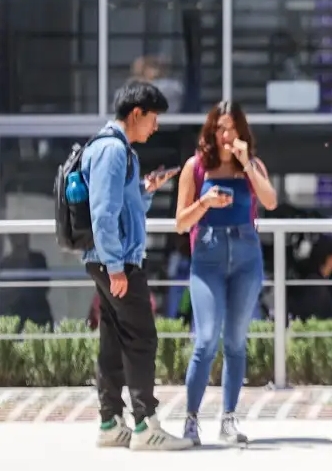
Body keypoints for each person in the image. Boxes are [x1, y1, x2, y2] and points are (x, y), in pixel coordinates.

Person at [84, 80, 191, 451]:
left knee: (114, 341)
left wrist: (146, 189)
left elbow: (122, 210)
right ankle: (146, 426)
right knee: (142, 339)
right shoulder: (113, 151)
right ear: (136, 114)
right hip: (117, 263)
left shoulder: (114, 149)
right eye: (153, 118)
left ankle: (111, 422)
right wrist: (116, 266)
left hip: (109, 260)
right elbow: (103, 214)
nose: (156, 126)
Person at [174, 100, 278, 445]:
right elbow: (180, 223)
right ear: (210, 130)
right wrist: (205, 203)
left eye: (232, 128)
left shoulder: (252, 165)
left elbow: (271, 200)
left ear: (241, 131)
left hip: (247, 258)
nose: (225, 135)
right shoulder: (196, 166)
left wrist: (247, 163)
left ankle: (229, 419)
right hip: (208, 259)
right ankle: (191, 421)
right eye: (220, 128)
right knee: (205, 341)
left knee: (235, 341)